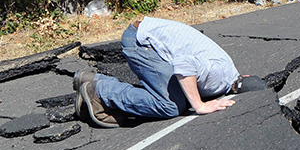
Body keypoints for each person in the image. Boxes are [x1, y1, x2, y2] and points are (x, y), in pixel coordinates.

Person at [72, 17, 265, 128]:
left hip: (145, 36)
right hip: (140, 42)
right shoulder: (219, 78)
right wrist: (199, 106)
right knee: (170, 106)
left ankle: (93, 79)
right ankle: (99, 92)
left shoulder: (229, 70)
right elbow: (184, 65)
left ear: (245, 76)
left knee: (180, 94)